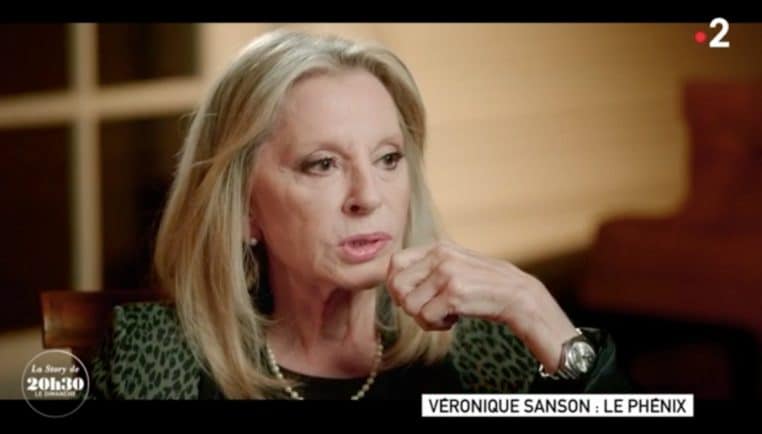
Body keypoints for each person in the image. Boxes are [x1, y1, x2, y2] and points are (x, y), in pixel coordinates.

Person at [89, 29, 629, 400]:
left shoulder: (489, 353)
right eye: (323, 164)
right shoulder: (153, 360)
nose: (368, 196)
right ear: (242, 210)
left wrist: (542, 316)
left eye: (388, 158)